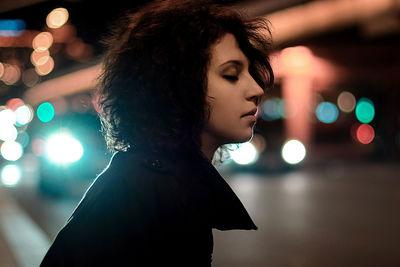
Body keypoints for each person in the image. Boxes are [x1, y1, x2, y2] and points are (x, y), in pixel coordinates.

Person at [40, 0, 274, 266]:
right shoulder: (156, 195)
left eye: (250, 73)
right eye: (231, 75)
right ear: (175, 85)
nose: (256, 88)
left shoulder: (153, 178)